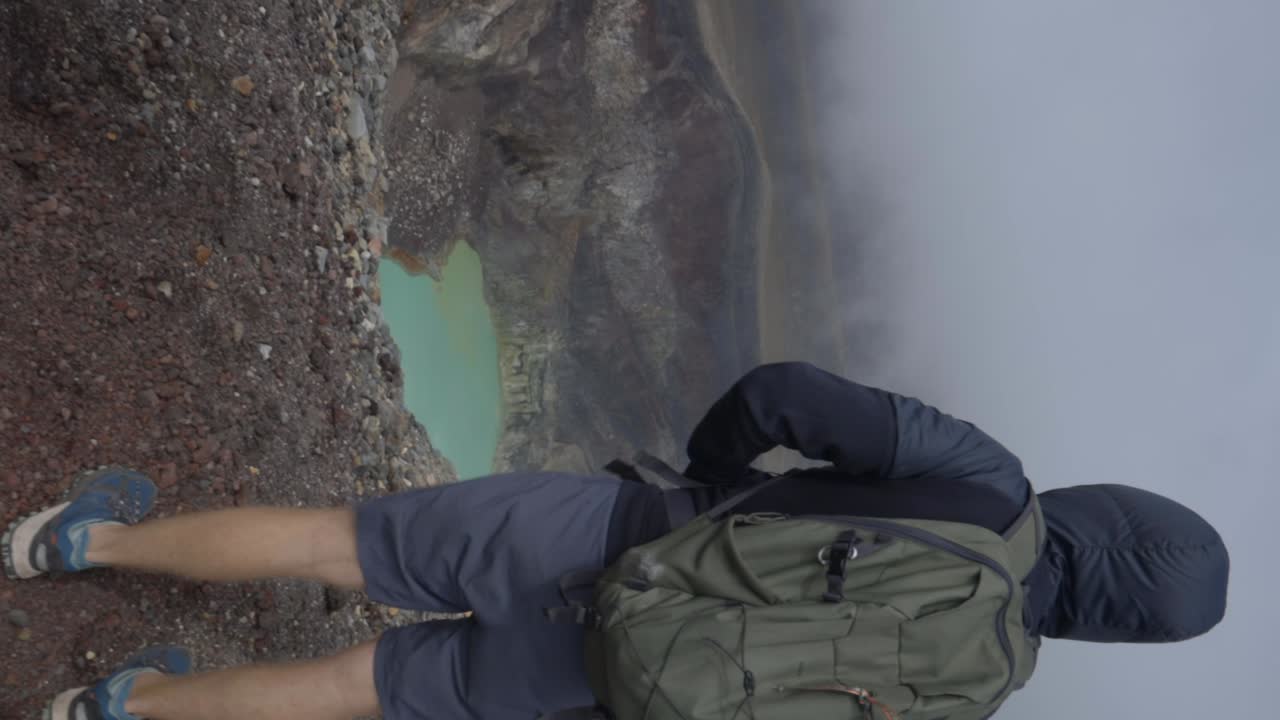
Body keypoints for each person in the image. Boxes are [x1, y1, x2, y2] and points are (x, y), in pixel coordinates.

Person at [3, 362, 1230, 720]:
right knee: (358, 685)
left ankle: (81, 548)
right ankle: (118, 712)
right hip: (611, 683)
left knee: (341, 545)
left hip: (609, 534)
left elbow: (781, 393)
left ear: (1109, 513)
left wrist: (702, 488)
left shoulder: (985, 485)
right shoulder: (980, 688)